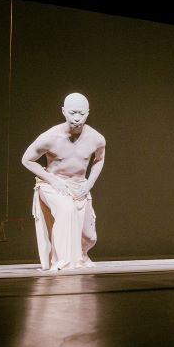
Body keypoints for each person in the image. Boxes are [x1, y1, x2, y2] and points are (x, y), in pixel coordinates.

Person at [21, 92, 106, 271]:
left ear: (88, 113)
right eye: (72, 113)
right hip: (53, 184)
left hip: (80, 186)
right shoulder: (50, 137)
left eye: (81, 114)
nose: (76, 118)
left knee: (90, 237)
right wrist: (52, 179)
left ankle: (82, 255)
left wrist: (89, 183)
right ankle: (62, 261)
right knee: (67, 211)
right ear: (63, 111)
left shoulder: (96, 138)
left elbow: (99, 160)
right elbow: (27, 159)